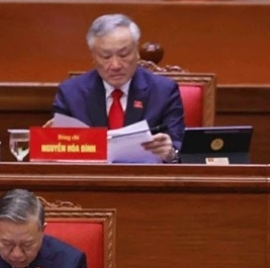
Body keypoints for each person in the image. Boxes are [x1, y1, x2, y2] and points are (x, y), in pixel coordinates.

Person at [51, 14, 185, 163]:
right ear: (94, 56)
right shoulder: (71, 93)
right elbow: (60, 153)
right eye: (106, 56)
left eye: (124, 54)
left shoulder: (163, 91)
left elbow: (180, 150)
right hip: (89, 182)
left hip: (146, 181)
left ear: (137, 52)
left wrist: (170, 153)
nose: (115, 65)